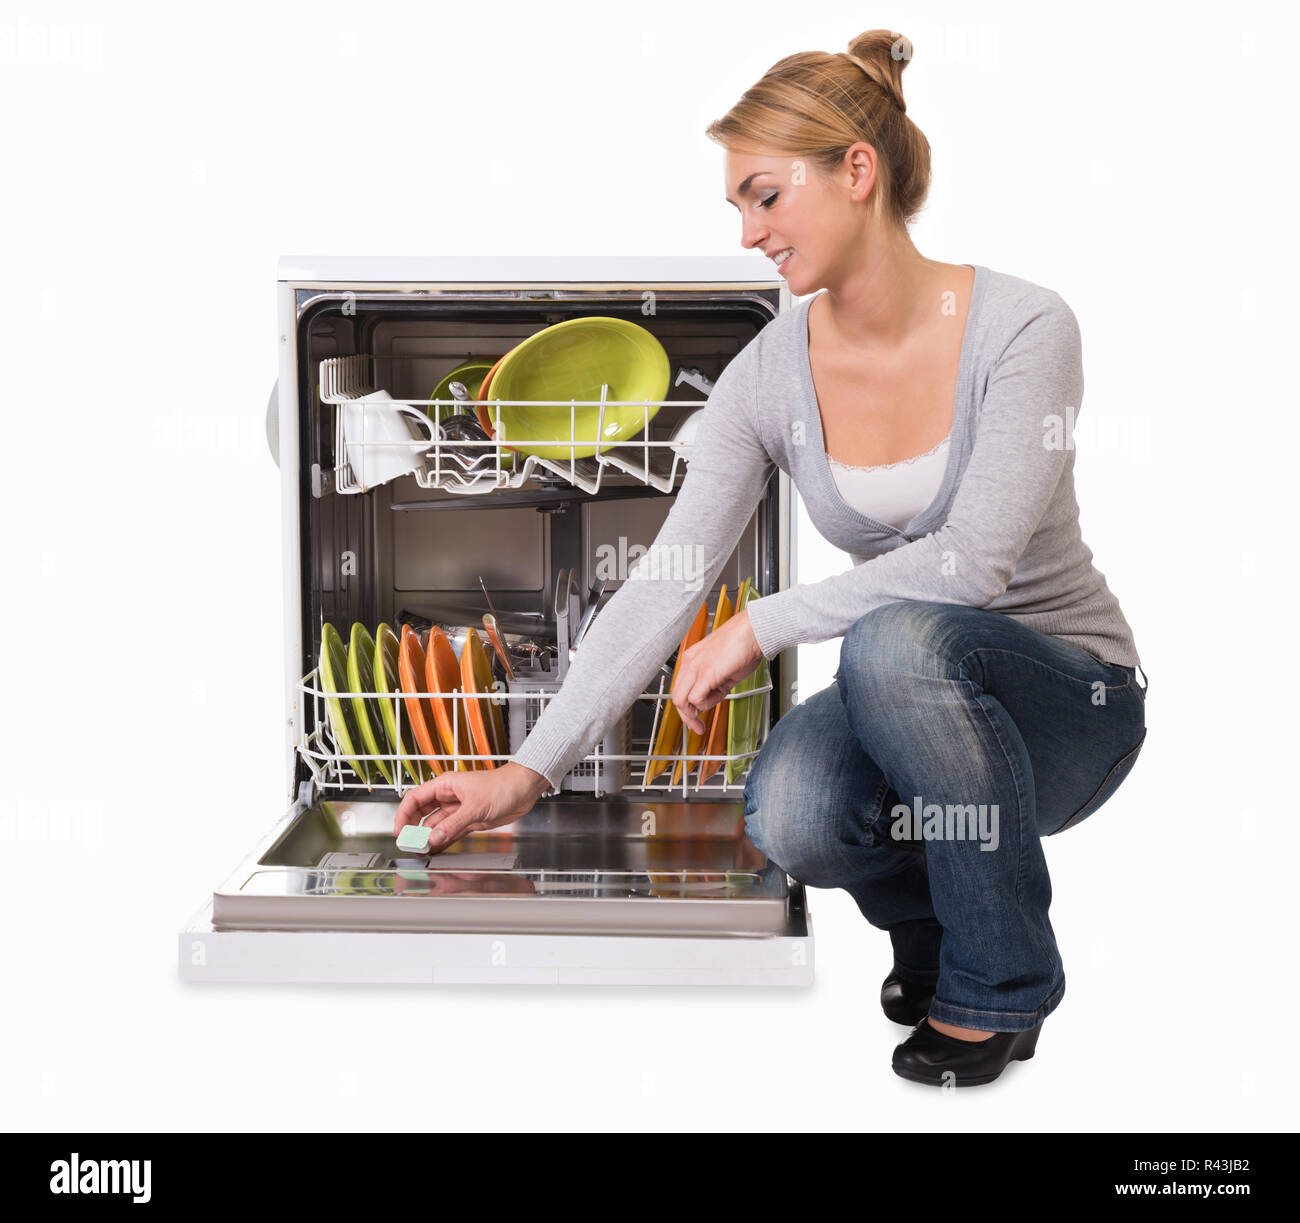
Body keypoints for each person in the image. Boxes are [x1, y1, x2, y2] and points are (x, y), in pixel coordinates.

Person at [395, 28, 1148, 1088]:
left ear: (856, 170)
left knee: (893, 640)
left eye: (764, 197)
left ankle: (1002, 984)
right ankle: (934, 934)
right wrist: (529, 768)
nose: (749, 234)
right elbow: (667, 578)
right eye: (737, 209)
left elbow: (970, 565)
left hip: (1070, 701)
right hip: (919, 711)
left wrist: (762, 622)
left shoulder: (1022, 327)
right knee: (790, 807)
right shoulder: (768, 376)